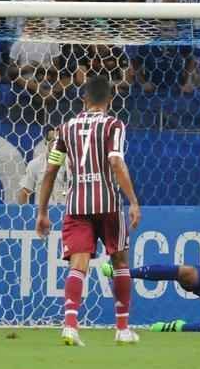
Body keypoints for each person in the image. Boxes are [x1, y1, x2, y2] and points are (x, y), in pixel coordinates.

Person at [35, 74, 141, 347]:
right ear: (110, 99)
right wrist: (133, 201)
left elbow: (50, 170)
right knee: (119, 262)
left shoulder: (65, 128)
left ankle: (70, 326)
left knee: (78, 264)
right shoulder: (113, 125)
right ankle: (122, 329)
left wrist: (42, 212)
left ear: (83, 99)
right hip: (107, 203)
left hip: (76, 204)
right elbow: (116, 162)